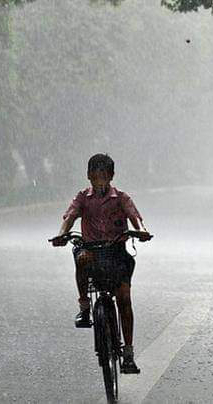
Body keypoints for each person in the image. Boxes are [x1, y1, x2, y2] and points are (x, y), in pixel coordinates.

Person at [51, 153, 151, 374]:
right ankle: (85, 307)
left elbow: (136, 218)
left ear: (111, 176)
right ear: (88, 176)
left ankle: (128, 353)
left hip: (116, 253)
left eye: (103, 177)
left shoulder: (122, 198)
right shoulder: (82, 198)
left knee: (124, 299)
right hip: (93, 252)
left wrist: (142, 232)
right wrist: (61, 235)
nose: (99, 182)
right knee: (80, 257)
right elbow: (69, 217)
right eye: (94, 177)